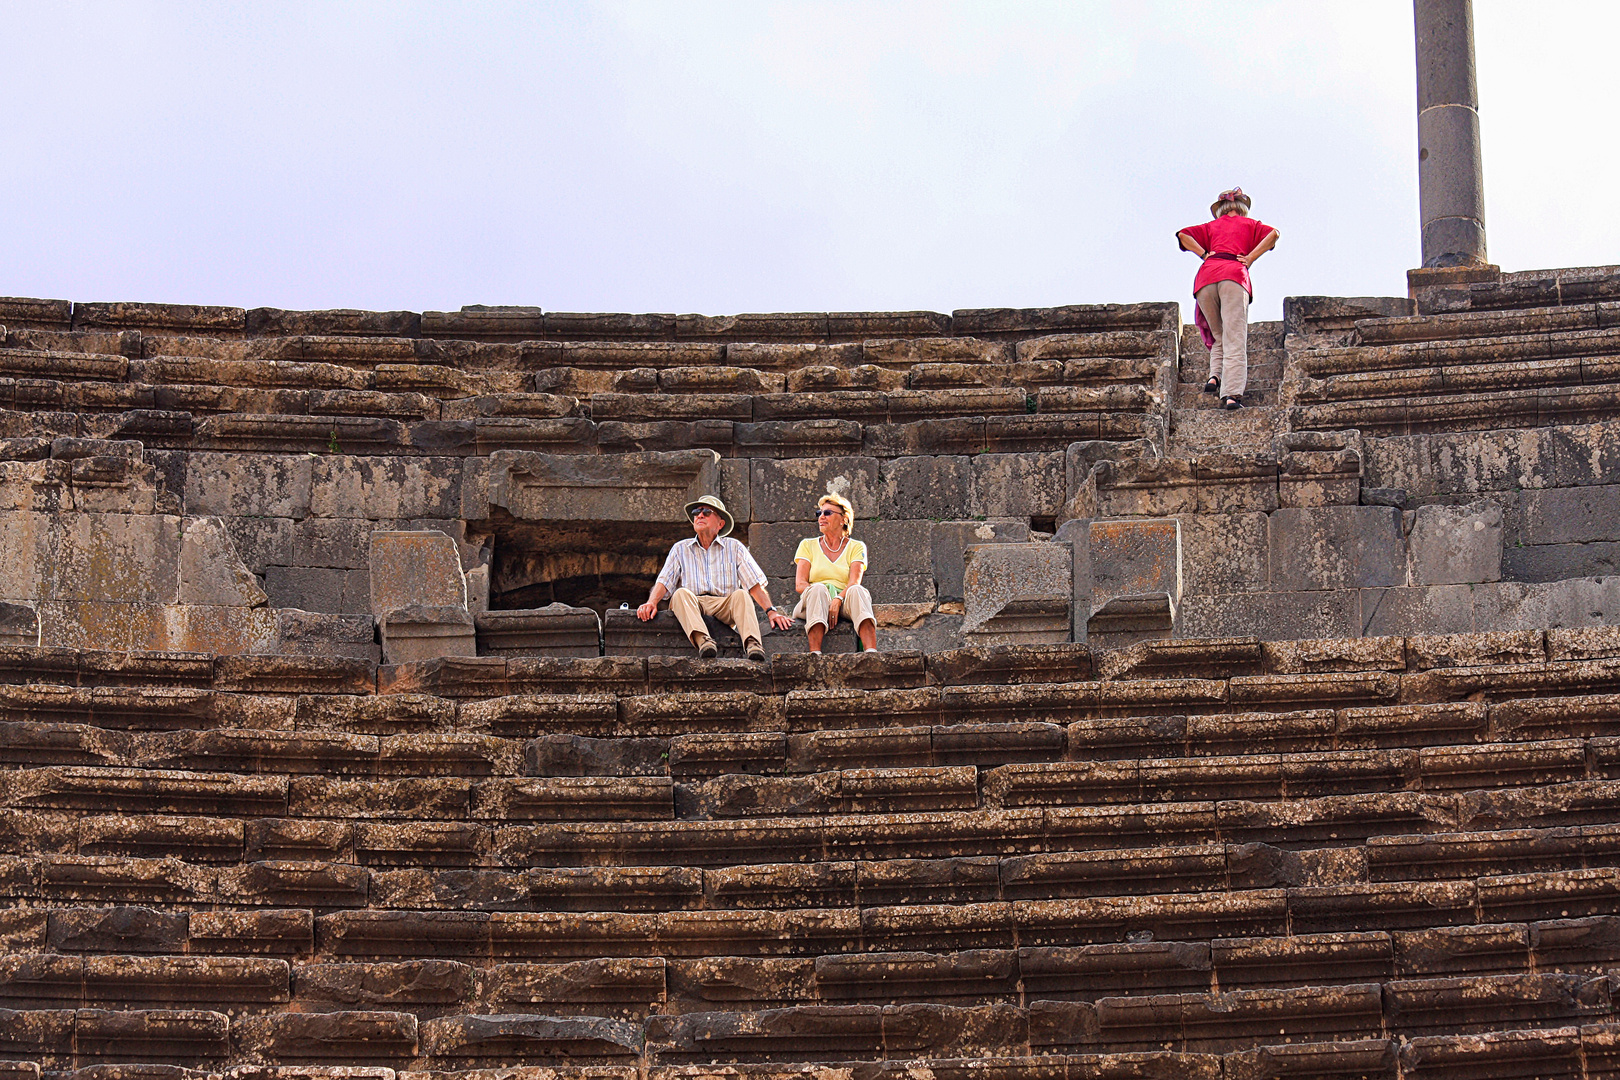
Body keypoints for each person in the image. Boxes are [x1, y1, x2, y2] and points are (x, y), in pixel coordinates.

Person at [637, 495, 793, 661]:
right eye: (697, 512)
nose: (700, 515)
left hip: (724, 604)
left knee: (741, 595)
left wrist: (771, 612)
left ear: (720, 524)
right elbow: (664, 582)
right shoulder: (680, 548)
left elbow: (754, 584)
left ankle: (753, 643)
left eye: (706, 511)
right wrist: (651, 603)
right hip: (692, 603)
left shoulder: (734, 547)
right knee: (680, 594)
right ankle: (703, 641)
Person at [1176, 187, 1280, 411]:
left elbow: (1183, 235)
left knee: (1218, 334)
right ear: (1243, 208)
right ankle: (1231, 394)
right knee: (1235, 337)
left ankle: (1214, 376)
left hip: (1205, 278)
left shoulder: (1210, 227)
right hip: (1234, 275)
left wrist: (1204, 255)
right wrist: (1251, 257)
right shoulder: (1250, 224)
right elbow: (1274, 234)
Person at [791, 493, 877, 653]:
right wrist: (823, 595)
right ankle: (815, 654)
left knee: (858, 591)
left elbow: (854, 582)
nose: (821, 517)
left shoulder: (857, 547)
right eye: (819, 513)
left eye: (827, 513)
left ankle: (871, 653)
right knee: (818, 589)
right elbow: (800, 584)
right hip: (813, 601)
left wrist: (837, 599)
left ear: (844, 519)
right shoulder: (807, 545)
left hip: (843, 601)